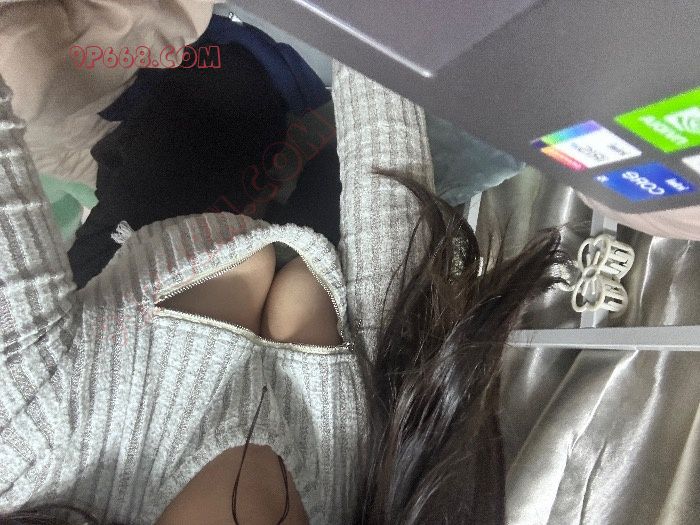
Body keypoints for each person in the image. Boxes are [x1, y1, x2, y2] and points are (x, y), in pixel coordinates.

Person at [0, 60, 566, 524]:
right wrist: (370, 37)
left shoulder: (28, 443)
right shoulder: (394, 478)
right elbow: (388, 177)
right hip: (330, 283)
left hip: (144, 266)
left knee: (233, 80)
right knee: (450, 154)